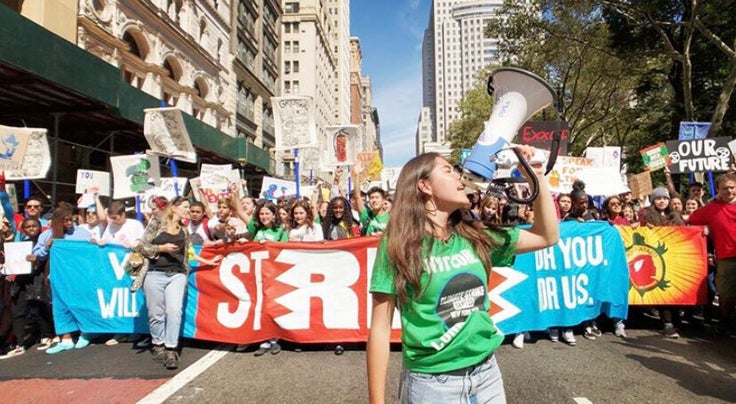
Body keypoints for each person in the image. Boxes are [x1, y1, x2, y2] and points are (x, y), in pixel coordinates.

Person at [367, 148, 559, 403]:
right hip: (431, 386)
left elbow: (547, 235)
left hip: (487, 374)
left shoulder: (474, 234)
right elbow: (380, 329)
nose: (460, 177)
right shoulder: (396, 244)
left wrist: (534, 176)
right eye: (448, 170)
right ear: (424, 186)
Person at [134, 196, 191, 369]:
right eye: (185, 207)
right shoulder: (156, 224)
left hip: (177, 274)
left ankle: (170, 349)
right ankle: (157, 343)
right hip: (154, 273)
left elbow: (187, 255)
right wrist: (161, 248)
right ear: (174, 208)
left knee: (174, 310)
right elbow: (140, 246)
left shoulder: (185, 230)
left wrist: (186, 272)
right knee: (156, 313)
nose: (188, 210)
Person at [34, 205, 93, 354]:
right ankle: (65, 339)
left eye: (71, 220)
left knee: (81, 304)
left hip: (78, 277)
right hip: (57, 278)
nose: (69, 223)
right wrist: (46, 247)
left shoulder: (82, 233)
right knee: (60, 307)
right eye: (65, 221)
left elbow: (91, 253)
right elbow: (37, 255)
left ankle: (85, 333)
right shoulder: (47, 235)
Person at [687, 173, 736, 335]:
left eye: (732, 187)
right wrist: (703, 228)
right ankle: (725, 322)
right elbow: (691, 219)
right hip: (726, 258)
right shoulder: (711, 209)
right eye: (725, 188)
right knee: (726, 294)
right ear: (718, 190)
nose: (729, 191)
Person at [638, 186, 685, 338]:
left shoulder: (675, 216)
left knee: (674, 288)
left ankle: (676, 320)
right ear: (653, 200)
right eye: (658, 198)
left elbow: (684, 233)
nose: (662, 201)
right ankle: (667, 322)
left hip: (674, 257)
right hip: (656, 256)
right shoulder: (646, 214)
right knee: (663, 289)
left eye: (665, 198)